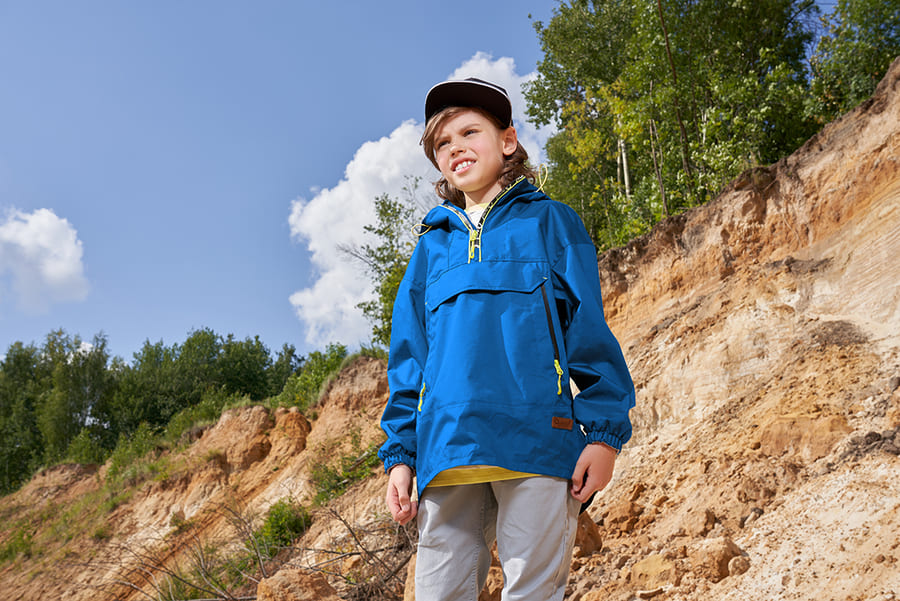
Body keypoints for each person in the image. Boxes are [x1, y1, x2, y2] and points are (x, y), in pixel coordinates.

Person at [378, 77, 635, 601]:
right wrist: (401, 455)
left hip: (537, 439)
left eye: (469, 132)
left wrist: (604, 436)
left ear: (508, 141)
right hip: (446, 449)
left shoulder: (550, 222)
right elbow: (409, 358)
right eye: (442, 144)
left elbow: (588, 331)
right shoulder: (430, 249)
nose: (455, 147)